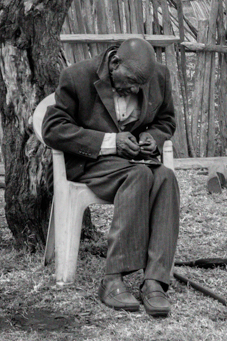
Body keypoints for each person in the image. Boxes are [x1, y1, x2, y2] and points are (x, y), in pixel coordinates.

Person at [41, 36, 180, 317]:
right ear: (115, 62)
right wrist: (110, 142)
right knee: (139, 175)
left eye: (140, 85)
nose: (135, 89)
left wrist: (153, 138)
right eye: (131, 81)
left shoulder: (157, 76)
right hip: (93, 162)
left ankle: (155, 280)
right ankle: (113, 278)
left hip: (134, 161)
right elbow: (53, 129)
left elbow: (166, 120)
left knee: (166, 178)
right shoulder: (77, 77)